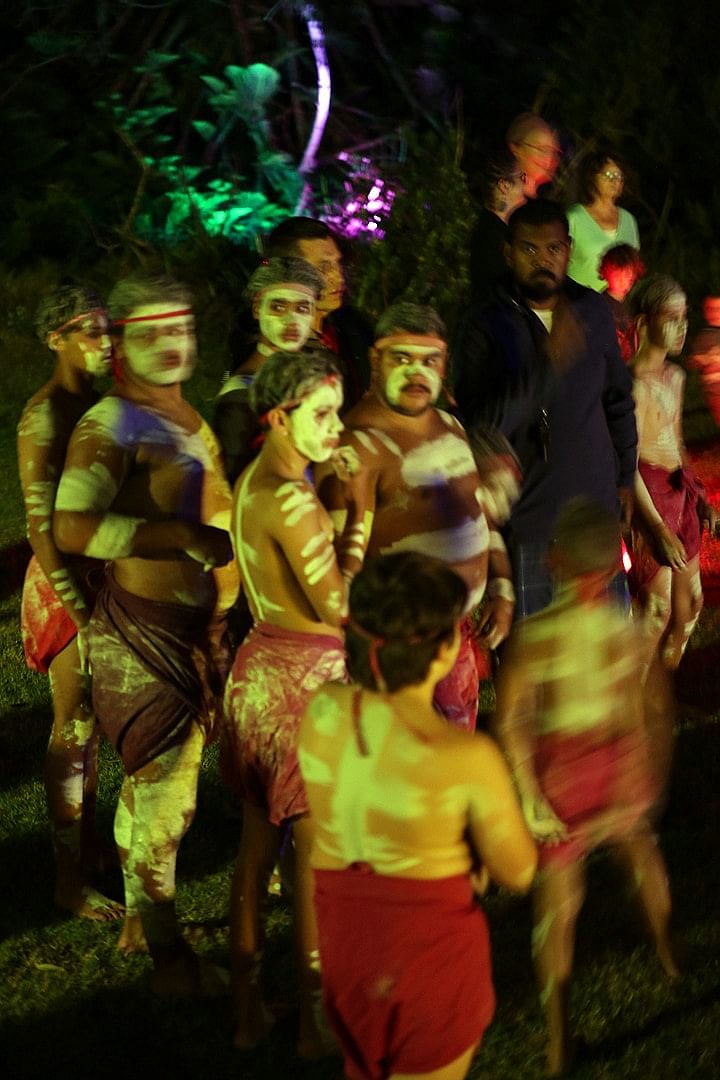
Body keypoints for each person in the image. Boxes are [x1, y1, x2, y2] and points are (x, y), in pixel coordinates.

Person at [53, 275, 238, 995]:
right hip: (145, 638)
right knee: (169, 799)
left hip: (191, 633)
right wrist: (179, 536)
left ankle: (139, 921)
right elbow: (71, 527)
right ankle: (171, 963)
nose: (172, 344)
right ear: (122, 343)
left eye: (181, 329)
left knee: (152, 789)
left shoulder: (179, 411)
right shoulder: (113, 424)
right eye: (151, 332)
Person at [299, 551, 537, 1080]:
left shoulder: (321, 712)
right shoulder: (465, 759)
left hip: (348, 948)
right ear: (448, 646)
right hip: (429, 965)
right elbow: (519, 872)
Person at [495, 499, 678, 1075]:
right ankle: (668, 953)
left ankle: (556, 1040)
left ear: (553, 561)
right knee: (640, 848)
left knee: (559, 906)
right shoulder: (621, 629)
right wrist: (647, 765)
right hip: (616, 760)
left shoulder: (538, 635)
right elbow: (649, 703)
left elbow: (511, 720)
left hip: (563, 772)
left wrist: (526, 791)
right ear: (613, 568)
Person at [220, 348, 354, 1054]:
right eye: (323, 415)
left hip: (257, 672)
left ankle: (247, 1015)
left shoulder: (254, 482)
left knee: (252, 852)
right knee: (310, 859)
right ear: (279, 416)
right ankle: (314, 1022)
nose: (337, 429)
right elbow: (336, 605)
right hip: (303, 687)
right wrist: (356, 518)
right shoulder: (293, 497)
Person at [317, 302, 517, 732]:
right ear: (375, 360)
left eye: (430, 361)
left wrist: (502, 589)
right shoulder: (356, 449)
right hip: (398, 655)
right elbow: (335, 574)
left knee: (451, 765)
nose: (416, 373)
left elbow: (480, 514)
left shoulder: (452, 426)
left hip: (455, 640)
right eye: (401, 358)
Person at [454, 199, 638, 618]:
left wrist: (625, 476)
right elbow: (481, 424)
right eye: (529, 250)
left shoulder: (590, 310)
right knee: (539, 660)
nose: (543, 260)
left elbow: (618, 399)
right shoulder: (485, 321)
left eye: (553, 249)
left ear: (568, 249)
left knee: (603, 653)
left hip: (594, 513)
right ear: (508, 252)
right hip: (531, 520)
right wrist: (547, 367)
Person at [17, 285, 123, 921]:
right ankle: (67, 879)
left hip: (103, 573)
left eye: (108, 330)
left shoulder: (98, 402)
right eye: (89, 332)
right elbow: (38, 526)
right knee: (74, 724)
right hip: (66, 583)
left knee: (96, 721)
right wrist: (80, 613)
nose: (105, 344)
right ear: (56, 339)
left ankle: (86, 844)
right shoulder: (46, 413)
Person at [630, 276, 716, 670]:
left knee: (692, 602)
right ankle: (635, 694)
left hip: (678, 496)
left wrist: (699, 497)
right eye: (672, 317)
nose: (683, 327)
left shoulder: (676, 378)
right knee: (656, 609)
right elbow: (627, 462)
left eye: (685, 317)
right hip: (651, 498)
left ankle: (665, 679)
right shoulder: (632, 386)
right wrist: (657, 529)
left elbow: (677, 439)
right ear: (645, 323)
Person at [214, 256, 324, 486]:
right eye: (278, 307)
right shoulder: (242, 396)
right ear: (257, 309)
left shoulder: (312, 379)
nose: (291, 319)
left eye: (302, 308)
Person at [263, 216, 373, 407]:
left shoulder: (353, 328)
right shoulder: (270, 348)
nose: (338, 277)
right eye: (324, 267)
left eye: (338, 264)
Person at [567, 149, 640, 292]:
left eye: (619, 176)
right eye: (608, 174)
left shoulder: (629, 220)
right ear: (592, 177)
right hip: (578, 303)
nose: (615, 180)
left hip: (616, 307)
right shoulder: (574, 217)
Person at [468, 148, 527, 303]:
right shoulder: (492, 239)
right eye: (522, 177)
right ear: (504, 186)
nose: (524, 186)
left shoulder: (494, 230)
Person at [598, 243, 646, 363]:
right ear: (606, 272)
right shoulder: (598, 305)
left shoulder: (636, 304)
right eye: (618, 273)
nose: (623, 279)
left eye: (628, 274)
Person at [506, 113, 562, 199]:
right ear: (516, 149)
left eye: (552, 151)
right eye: (542, 149)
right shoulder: (508, 198)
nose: (548, 158)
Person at [687, 294, 720, 427]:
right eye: (712, 309)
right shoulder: (704, 337)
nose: (716, 313)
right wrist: (708, 359)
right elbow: (693, 361)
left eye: (718, 309)